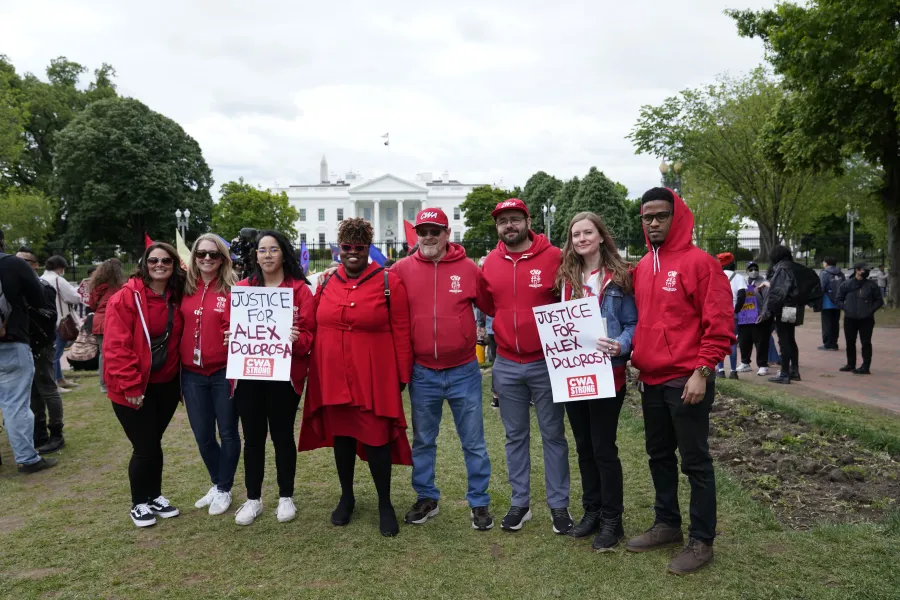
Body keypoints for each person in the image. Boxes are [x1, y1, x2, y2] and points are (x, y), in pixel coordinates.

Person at [626, 188, 733, 575]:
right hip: (650, 380)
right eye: (646, 217)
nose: (652, 223)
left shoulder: (700, 264)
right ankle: (667, 524)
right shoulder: (641, 266)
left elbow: (719, 325)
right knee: (659, 457)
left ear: (677, 217)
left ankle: (702, 541)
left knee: (695, 463)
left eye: (660, 216)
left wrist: (702, 372)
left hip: (687, 380)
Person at [299, 218, 413, 536]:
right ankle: (347, 497)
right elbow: (311, 323)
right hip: (332, 375)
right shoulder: (325, 282)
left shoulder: (389, 281)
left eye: (358, 248)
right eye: (346, 247)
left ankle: (384, 503)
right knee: (343, 438)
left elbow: (402, 331)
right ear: (339, 250)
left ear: (367, 249)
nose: (352, 253)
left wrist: (402, 375)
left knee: (377, 438)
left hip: (373, 376)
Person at [390, 209, 495, 531]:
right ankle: (426, 497)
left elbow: (492, 306)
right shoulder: (400, 270)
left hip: (463, 369)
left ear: (447, 233)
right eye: (423, 231)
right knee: (423, 440)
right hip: (423, 372)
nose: (429, 237)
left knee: (473, 441)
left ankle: (479, 501)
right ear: (416, 235)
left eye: (435, 231)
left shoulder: (467, 269)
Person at [481, 198, 572, 535]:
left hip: (545, 362)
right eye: (503, 221)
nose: (509, 226)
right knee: (514, 436)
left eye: (515, 219)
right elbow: (491, 306)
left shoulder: (554, 257)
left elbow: (571, 297)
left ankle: (559, 506)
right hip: (506, 362)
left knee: (553, 435)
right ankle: (521, 503)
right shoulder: (490, 262)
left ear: (527, 220)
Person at [554, 211, 638, 551]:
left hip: (608, 374)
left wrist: (622, 344)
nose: (581, 239)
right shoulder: (566, 276)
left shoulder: (619, 277)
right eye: (576, 235)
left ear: (601, 236)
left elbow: (633, 323)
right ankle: (591, 512)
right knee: (584, 448)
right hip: (573, 375)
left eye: (587, 232)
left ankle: (612, 520)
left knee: (604, 448)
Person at [228, 230, 315, 526]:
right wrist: (230, 335)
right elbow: (231, 329)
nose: (267, 255)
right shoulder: (242, 289)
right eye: (262, 250)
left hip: (284, 376)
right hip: (249, 374)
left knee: (281, 436)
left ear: (283, 253)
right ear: (255, 256)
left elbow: (310, 336)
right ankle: (253, 499)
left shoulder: (300, 290)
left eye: (273, 249)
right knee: (252, 439)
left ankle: (285, 496)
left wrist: (297, 339)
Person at [103, 242, 185, 527]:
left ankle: (154, 495)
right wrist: (131, 385)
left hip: (167, 385)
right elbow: (116, 345)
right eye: (153, 260)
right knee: (145, 445)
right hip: (134, 387)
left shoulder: (177, 296)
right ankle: (138, 502)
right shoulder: (126, 298)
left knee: (153, 443)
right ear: (144, 263)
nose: (159, 265)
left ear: (174, 265)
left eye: (166, 260)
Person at [180, 234, 240, 516]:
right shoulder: (183, 287)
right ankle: (218, 483)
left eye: (213, 255)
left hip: (224, 370)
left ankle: (224, 488)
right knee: (202, 434)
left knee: (227, 432)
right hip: (191, 373)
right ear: (194, 257)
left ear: (222, 259)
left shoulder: (233, 288)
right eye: (201, 254)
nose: (206, 259)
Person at [0, 230, 58, 473]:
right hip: (11, 341)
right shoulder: (13, 264)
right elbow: (39, 299)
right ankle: (26, 458)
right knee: (15, 404)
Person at [17, 246, 66, 453]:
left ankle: (56, 434)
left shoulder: (43, 286)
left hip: (41, 345)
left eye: (24, 262)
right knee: (33, 391)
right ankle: (39, 434)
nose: (18, 266)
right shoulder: (16, 285)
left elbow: (48, 318)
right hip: (24, 345)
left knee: (47, 388)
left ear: (35, 265)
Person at [758, 246, 805, 385]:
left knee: (783, 339)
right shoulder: (793, 267)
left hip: (783, 307)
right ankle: (794, 370)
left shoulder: (781, 268)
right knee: (790, 338)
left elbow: (779, 290)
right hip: (793, 307)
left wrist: (767, 284)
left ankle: (785, 373)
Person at [41, 256, 83, 391]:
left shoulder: (40, 279)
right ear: (60, 268)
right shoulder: (59, 280)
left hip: (45, 320)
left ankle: (59, 379)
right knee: (56, 353)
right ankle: (54, 383)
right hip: (61, 320)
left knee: (52, 352)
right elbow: (75, 297)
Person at [837, 262, 884, 375]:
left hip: (866, 319)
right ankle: (850, 364)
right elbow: (838, 299)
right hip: (850, 318)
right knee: (850, 342)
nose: (866, 272)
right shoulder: (846, 284)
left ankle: (866, 366)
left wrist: (870, 310)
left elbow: (879, 301)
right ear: (857, 270)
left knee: (866, 342)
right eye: (864, 270)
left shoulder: (872, 285)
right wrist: (846, 308)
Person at [89, 259, 127, 394]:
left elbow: (92, 305)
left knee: (102, 354)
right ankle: (113, 381)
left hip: (98, 322)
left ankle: (103, 383)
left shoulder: (95, 286)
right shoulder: (120, 286)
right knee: (117, 353)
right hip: (114, 321)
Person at [735, 262, 772, 376]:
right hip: (745, 318)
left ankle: (762, 365)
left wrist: (764, 314)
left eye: (755, 268)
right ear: (746, 271)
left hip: (759, 317)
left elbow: (768, 300)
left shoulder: (763, 283)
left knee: (761, 342)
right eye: (750, 269)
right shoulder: (744, 282)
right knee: (744, 340)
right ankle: (745, 362)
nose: (753, 271)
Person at [715, 253, 746, 380]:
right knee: (732, 342)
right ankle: (733, 372)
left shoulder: (715, 277)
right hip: (732, 314)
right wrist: (736, 310)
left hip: (717, 314)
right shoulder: (738, 277)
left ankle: (721, 370)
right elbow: (742, 296)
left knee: (719, 342)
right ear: (733, 263)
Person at [818, 256, 844, 351]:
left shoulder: (824, 273)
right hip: (838, 302)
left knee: (826, 324)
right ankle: (834, 343)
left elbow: (821, 287)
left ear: (826, 263)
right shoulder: (841, 273)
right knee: (835, 323)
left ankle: (827, 344)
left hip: (827, 302)